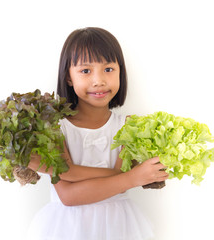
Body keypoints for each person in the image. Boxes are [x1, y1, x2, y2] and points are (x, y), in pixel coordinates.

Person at [26, 27, 168, 240]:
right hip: (66, 229)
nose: (98, 80)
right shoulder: (55, 128)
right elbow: (69, 196)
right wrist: (132, 178)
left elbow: (118, 185)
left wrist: (68, 171)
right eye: (85, 71)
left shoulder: (130, 126)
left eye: (108, 69)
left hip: (120, 228)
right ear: (68, 78)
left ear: (121, 71)